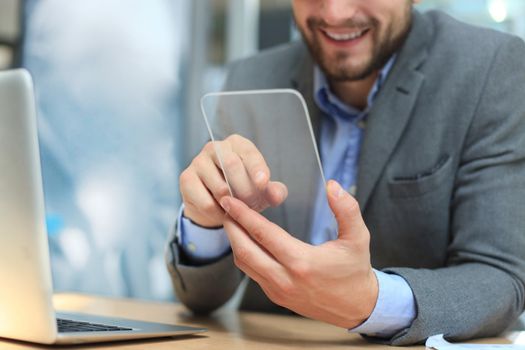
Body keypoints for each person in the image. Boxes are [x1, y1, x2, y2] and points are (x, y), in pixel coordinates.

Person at [165, 0, 525, 345]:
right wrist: (204, 224)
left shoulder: (490, 69)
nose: (334, 13)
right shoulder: (252, 76)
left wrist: (373, 301)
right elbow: (200, 299)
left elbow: (501, 278)